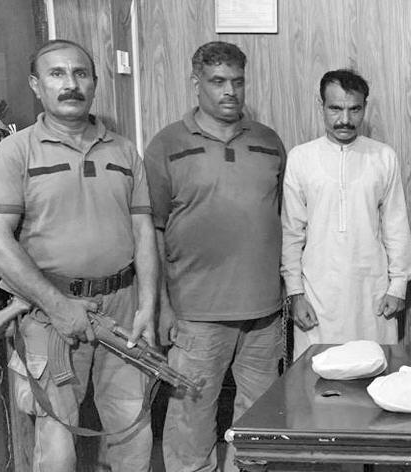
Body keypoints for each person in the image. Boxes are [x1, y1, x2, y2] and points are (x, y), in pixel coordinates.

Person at [0, 39, 156, 471]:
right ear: (35, 85)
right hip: (48, 314)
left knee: (133, 432)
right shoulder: (17, 151)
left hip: (122, 308)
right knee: (56, 444)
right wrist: (59, 307)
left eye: (80, 73)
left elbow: (143, 231)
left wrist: (148, 307)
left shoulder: (124, 150)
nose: (70, 84)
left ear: (94, 83)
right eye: (56, 74)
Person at [143, 41, 287, 471]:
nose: (230, 91)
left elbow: (280, 217)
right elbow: (152, 228)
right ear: (196, 83)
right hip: (196, 314)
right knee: (191, 419)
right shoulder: (167, 144)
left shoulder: (268, 142)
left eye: (237, 82)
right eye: (218, 81)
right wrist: (162, 306)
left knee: (259, 421)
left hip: (264, 313)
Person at [281, 69, 411, 359]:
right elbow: (291, 233)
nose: (345, 119)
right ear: (321, 106)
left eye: (354, 109)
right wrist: (295, 294)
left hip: (372, 294)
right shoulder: (301, 158)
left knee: (375, 372)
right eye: (335, 109)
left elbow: (396, 225)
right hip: (317, 296)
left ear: (365, 107)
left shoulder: (383, 156)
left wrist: (398, 287)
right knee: (314, 376)